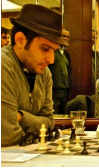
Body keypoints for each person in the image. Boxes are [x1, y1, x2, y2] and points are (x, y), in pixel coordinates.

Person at [1, 4, 68, 146]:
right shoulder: (3, 66)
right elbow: (5, 135)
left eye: (54, 51)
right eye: (45, 49)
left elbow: (50, 123)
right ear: (20, 40)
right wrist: (38, 125)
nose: (51, 60)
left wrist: (21, 117)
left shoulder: (44, 73)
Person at [48, 28, 72, 114]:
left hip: (65, 93)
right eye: (63, 36)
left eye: (67, 37)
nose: (66, 38)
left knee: (64, 116)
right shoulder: (52, 51)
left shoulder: (65, 53)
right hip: (54, 92)